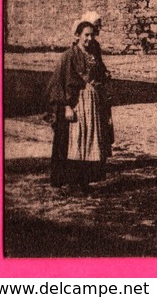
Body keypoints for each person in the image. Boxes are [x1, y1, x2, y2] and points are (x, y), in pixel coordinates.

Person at [47, 20, 113, 194]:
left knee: (90, 140)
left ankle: (85, 181)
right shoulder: (68, 56)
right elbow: (58, 83)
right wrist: (67, 107)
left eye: (92, 35)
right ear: (77, 35)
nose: (89, 38)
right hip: (75, 104)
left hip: (92, 104)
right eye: (86, 35)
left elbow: (101, 78)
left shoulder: (94, 55)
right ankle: (71, 182)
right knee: (75, 141)